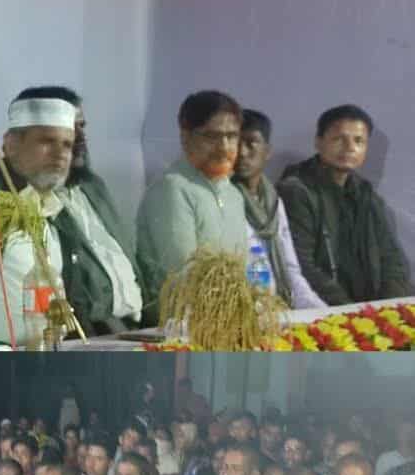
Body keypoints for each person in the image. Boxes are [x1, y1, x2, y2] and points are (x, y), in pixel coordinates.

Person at [0, 86, 142, 341]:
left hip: (49, 350)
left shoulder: (57, 209)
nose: (60, 154)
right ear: (11, 144)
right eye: (47, 141)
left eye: (67, 144)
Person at [278, 104, 413, 305]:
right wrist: (349, 311)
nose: (350, 147)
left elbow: (392, 260)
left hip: (369, 310)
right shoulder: (296, 191)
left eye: (358, 140)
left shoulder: (366, 194)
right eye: (339, 139)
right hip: (321, 310)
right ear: (318, 142)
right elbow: (301, 265)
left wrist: (386, 309)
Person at [137, 90, 248, 316]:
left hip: (228, 319)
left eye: (232, 136)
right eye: (212, 136)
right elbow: (183, 275)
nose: (224, 146)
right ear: (185, 137)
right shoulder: (172, 189)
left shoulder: (234, 195)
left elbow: (243, 271)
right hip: (177, 324)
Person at [231, 109, 325, 308]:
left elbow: (291, 270)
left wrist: (322, 312)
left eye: (251, 143)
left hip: (280, 306)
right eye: (236, 143)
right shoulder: (224, 201)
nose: (242, 152)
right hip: (246, 310)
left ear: (267, 151)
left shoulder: (273, 202)